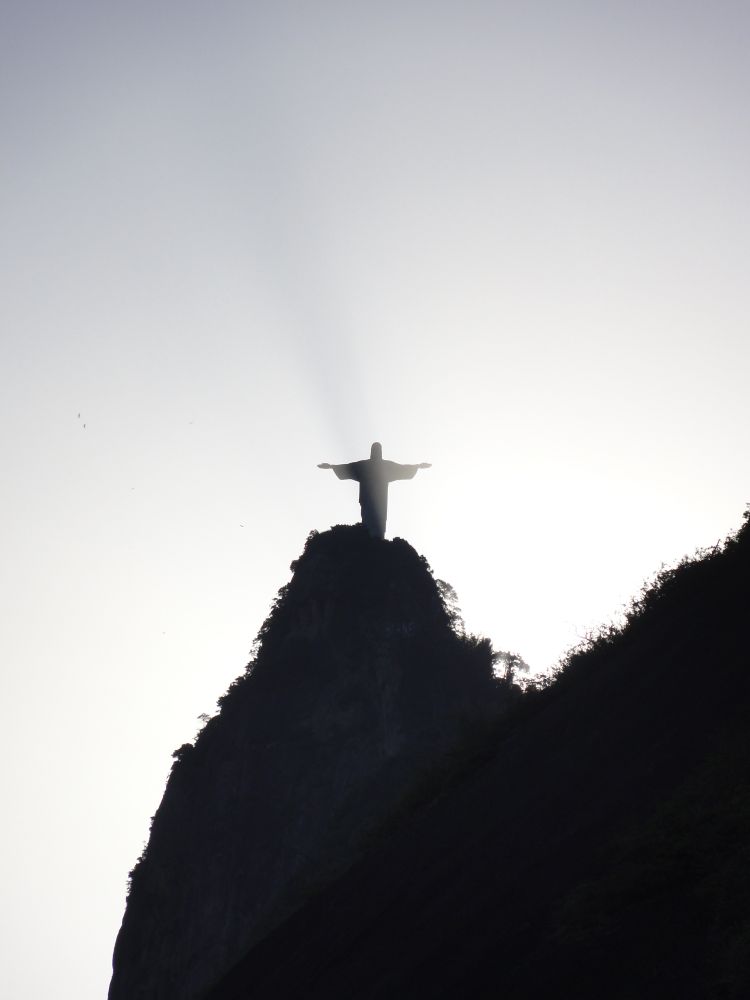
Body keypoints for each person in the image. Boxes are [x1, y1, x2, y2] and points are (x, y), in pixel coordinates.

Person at [318, 442, 431, 539]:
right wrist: (331, 466)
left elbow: (402, 468)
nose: (376, 451)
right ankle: (367, 536)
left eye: (378, 449)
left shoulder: (385, 466)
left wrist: (418, 466)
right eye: (375, 449)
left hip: (380, 498)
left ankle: (378, 538)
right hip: (368, 497)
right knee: (367, 516)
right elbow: (348, 467)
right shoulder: (366, 465)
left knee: (380, 518)